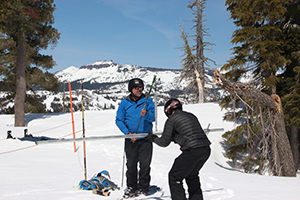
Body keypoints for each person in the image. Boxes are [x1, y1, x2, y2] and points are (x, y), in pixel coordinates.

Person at [146, 98, 211, 200]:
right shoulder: (191, 115)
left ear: (168, 110)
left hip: (192, 151)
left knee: (174, 177)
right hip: (205, 149)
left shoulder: (172, 119)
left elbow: (164, 142)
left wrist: (152, 138)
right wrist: (175, 138)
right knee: (192, 175)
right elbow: (188, 134)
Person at [115, 78, 155, 198]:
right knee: (131, 165)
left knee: (145, 165)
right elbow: (119, 120)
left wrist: (146, 114)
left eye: (141, 87)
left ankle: (143, 187)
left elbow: (153, 118)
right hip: (131, 139)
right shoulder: (124, 103)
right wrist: (128, 134)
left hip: (145, 138)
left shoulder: (148, 101)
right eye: (136, 87)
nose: (139, 89)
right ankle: (131, 186)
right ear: (131, 89)